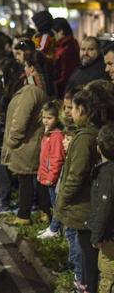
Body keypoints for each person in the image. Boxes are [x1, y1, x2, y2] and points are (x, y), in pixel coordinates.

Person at [55, 89, 103, 293]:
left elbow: (76, 174)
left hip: (83, 205)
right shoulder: (91, 133)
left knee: (87, 254)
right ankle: (84, 285)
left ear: (82, 110)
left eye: (73, 108)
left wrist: (62, 199)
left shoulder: (84, 138)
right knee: (87, 252)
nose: (70, 113)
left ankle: (86, 287)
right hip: (86, 204)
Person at [1, 66, 46, 226]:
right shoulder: (34, 90)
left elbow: (20, 119)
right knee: (35, 180)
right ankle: (44, 213)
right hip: (29, 142)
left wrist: (12, 141)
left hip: (26, 143)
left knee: (26, 180)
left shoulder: (30, 91)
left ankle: (24, 215)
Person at [36, 101, 65, 239]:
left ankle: (54, 229)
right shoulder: (48, 133)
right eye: (44, 117)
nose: (46, 121)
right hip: (47, 175)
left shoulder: (57, 135)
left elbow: (56, 159)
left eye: (49, 118)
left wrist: (51, 176)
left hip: (52, 178)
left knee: (56, 204)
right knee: (54, 203)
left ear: (57, 118)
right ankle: (54, 228)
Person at [91, 124, 114, 293]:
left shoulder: (107, 174)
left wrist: (97, 235)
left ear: (99, 147)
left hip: (109, 236)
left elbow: (104, 208)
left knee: (107, 271)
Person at [52, 18, 80, 96]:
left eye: (54, 33)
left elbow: (66, 75)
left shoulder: (68, 48)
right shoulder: (62, 46)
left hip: (64, 91)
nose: (53, 37)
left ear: (61, 31)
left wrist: (54, 84)